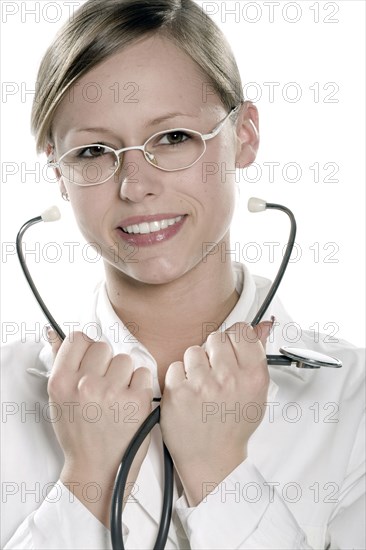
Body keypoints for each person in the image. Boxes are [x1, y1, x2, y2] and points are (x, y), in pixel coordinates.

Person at [2, 0, 364, 549]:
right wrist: (85, 483)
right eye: (95, 151)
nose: (135, 186)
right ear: (58, 169)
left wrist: (220, 473)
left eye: (173, 138)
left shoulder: (353, 398)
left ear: (244, 135)